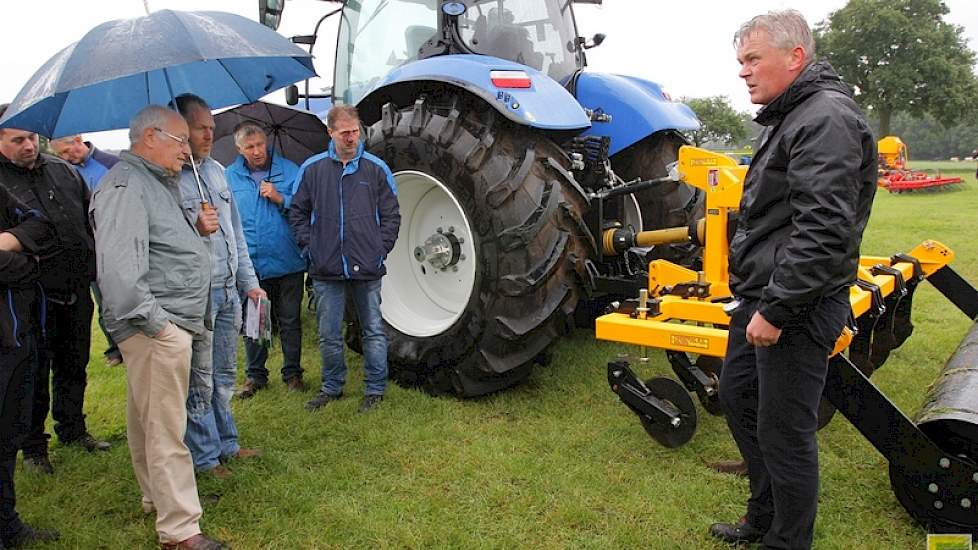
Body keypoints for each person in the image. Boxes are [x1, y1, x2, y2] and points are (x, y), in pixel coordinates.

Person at [709, 12, 877, 549]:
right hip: (764, 294)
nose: (743, 73)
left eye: (753, 59)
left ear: (795, 57)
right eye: (741, 62)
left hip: (797, 303)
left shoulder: (823, 119)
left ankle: (787, 541)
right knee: (739, 396)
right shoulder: (794, 115)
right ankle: (762, 516)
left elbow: (824, 232)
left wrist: (776, 310)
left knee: (785, 430)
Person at [91, 105, 225, 550]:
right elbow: (120, 274)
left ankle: (157, 497)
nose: (187, 150)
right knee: (168, 428)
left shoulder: (154, 182)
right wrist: (160, 326)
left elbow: (161, 247)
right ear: (151, 137)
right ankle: (181, 529)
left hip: (165, 323)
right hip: (155, 327)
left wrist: (198, 230)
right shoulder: (127, 186)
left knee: (147, 420)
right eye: (180, 140)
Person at [0, 104, 109, 477]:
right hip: (30, 294)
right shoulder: (2, 184)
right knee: (34, 370)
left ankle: (74, 429)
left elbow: (88, 217)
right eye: (18, 140)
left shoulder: (62, 170)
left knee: (74, 362)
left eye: (32, 137)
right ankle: (33, 447)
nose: (29, 145)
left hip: (77, 284)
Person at [173, 94, 264, 477]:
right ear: (180, 131)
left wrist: (251, 284)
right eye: (200, 128)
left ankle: (228, 443)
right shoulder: (169, 180)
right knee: (200, 378)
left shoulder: (216, 172)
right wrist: (194, 227)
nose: (210, 134)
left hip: (228, 289)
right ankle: (206, 457)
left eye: (212, 127)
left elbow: (236, 235)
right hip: (198, 294)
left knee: (225, 373)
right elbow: (165, 244)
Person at [289, 104, 400, 413]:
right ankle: (332, 387)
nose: (352, 138)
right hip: (326, 268)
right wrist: (311, 248)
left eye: (355, 132)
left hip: (367, 266)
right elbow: (297, 213)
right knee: (329, 333)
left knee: (373, 330)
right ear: (331, 132)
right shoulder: (312, 170)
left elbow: (392, 215)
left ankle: (375, 389)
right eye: (345, 133)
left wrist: (380, 248)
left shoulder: (376, 169)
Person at [225, 123, 307, 398]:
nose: (257, 151)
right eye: (250, 147)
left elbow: (306, 209)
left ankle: (293, 373)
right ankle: (256, 375)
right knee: (255, 322)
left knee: (290, 321)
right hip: (253, 266)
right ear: (239, 149)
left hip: (288, 262)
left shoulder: (290, 170)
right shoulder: (230, 177)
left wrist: (280, 197)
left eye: (260, 144)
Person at [0, 184, 60, 547]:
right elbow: (29, 261)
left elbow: (42, 227)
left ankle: (7, 524)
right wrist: (26, 259)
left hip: (17, 335)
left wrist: (8, 241)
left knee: (8, 434)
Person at [50, 134, 124, 367]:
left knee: (125, 295)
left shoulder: (112, 164)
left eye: (67, 150)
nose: (67, 156)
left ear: (78, 139)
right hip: (91, 248)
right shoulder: (63, 173)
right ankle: (115, 349)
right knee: (103, 301)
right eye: (61, 154)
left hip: (119, 242)